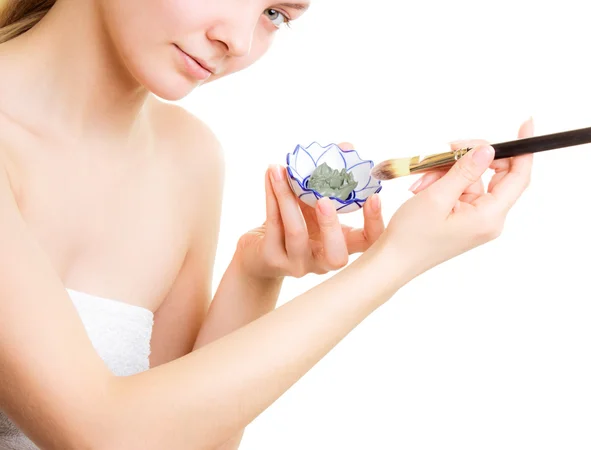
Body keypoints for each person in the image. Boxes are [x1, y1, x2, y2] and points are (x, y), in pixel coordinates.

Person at [0, 0, 534, 449]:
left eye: (275, 13)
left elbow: (178, 438)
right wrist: (393, 261)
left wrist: (256, 272)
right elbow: (103, 434)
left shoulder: (185, 156)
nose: (236, 38)